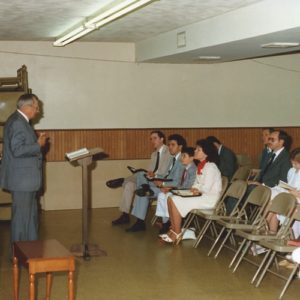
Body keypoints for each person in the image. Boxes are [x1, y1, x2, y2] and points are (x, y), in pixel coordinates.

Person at [0, 93, 47, 244]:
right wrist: (38, 145)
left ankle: (29, 252)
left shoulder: (20, 121)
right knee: (22, 220)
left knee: (30, 219)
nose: (38, 110)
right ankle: (18, 256)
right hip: (22, 181)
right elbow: (17, 150)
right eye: (36, 107)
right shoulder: (18, 123)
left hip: (25, 181)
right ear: (26, 107)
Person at [162, 139, 222, 243]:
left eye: (198, 149)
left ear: (206, 153)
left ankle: (177, 233)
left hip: (209, 199)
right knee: (170, 198)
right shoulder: (201, 165)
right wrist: (194, 188)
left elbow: (206, 188)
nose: (195, 151)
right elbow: (196, 183)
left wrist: (196, 189)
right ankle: (173, 230)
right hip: (200, 195)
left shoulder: (211, 167)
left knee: (176, 200)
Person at [126, 134, 187, 232]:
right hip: (164, 184)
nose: (170, 147)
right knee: (142, 187)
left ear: (180, 147)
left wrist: (162, 184)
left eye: (173, 145)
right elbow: (167, 176)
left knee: (143, 190)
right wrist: (156, 177)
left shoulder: (181, 161)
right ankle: (140, 222)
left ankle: (165, 224)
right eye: (169, 145)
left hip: (172, 189)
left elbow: (178, 182)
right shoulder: (173, 159)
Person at [112, 130, 172, 225]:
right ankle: (125, 215)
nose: (152, 141)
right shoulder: (154, 154)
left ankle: (123, 181)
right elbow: (150, 170)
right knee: (129, 185)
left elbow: (164, 172)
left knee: (140, 175)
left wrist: (152, 175)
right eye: (151, 139)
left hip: (159, 181)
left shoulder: (169, 152)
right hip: (149, 180)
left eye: (155, 138)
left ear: (162, 139)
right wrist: (147, 173)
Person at [155, 147, 197, 234]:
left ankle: (171, 223)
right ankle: (166, 222)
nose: (181, 158)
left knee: (168, 196)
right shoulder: (184, 167)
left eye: (184, 156)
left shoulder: (193, 169)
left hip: (187, 193)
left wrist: (173, 189)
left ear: (191, 158)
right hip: (180, 190)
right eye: (181, 156)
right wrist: (170, 188)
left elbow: (188, 186)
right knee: (162, 195)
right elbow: (179, 183)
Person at [267, 147, 300, 237]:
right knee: (274, 208)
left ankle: (262, 225)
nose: (293, 165)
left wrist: (295, 193)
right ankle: (270, 235)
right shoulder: (291, 171)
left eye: (296, 164)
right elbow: (289, 186)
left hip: (297, 201)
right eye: (292, 163)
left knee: (276, 205)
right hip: (290, 197)